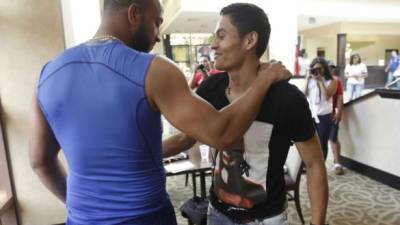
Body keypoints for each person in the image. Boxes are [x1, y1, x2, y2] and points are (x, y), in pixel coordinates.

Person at [28, 1, 291, 224]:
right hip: (145, 216)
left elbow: (39, 161)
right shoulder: (153, 69)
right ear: (133, 15)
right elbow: (222, 132)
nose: (157, 35)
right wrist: (264, 80)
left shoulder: (47, 73)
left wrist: (81, 206)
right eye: (156, 22)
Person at [163, 3, 328, 225]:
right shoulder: (211, 88)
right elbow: (186, 138)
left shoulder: (286, 98)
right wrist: (139, 152)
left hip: (266, 218)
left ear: (250, 40)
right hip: (217, 213)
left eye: (221, 36)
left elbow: (315, 164)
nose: (213, 45)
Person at [303, 57, 338, 160]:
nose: (318, 71)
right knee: (310, 142)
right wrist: (307, 78)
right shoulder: (310, 80)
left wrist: (321, 82)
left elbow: (327, 96)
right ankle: (311, 165)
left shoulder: (332, 81)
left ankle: (322, 167)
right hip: (311, 116)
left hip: (324, 117)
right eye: (315, 69)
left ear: (325, 68)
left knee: (322, 143)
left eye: (321, 68)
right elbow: (303, 95)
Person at [328, 64, 344, 175]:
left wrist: (339, 113)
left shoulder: (337, 81)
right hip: (317, 116)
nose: (331, 70)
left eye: (332, 68)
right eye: (329, 68)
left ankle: (337, 163)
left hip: (332, 114)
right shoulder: (316, 80)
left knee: (333, 138)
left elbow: (339, 97)